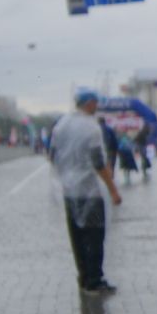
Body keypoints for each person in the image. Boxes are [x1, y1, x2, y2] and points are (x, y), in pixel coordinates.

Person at [52, 90, 123, 294]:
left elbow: (53, 156)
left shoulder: (61, 125)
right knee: (94, 236)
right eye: (95, 102)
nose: (97, 106)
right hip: (89, 192)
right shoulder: (91, 128)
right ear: (89, 103)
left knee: (77, 237)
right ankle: (95, 279)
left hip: (69, 191)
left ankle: (83, 277)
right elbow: (99, 162)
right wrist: (113, 190)